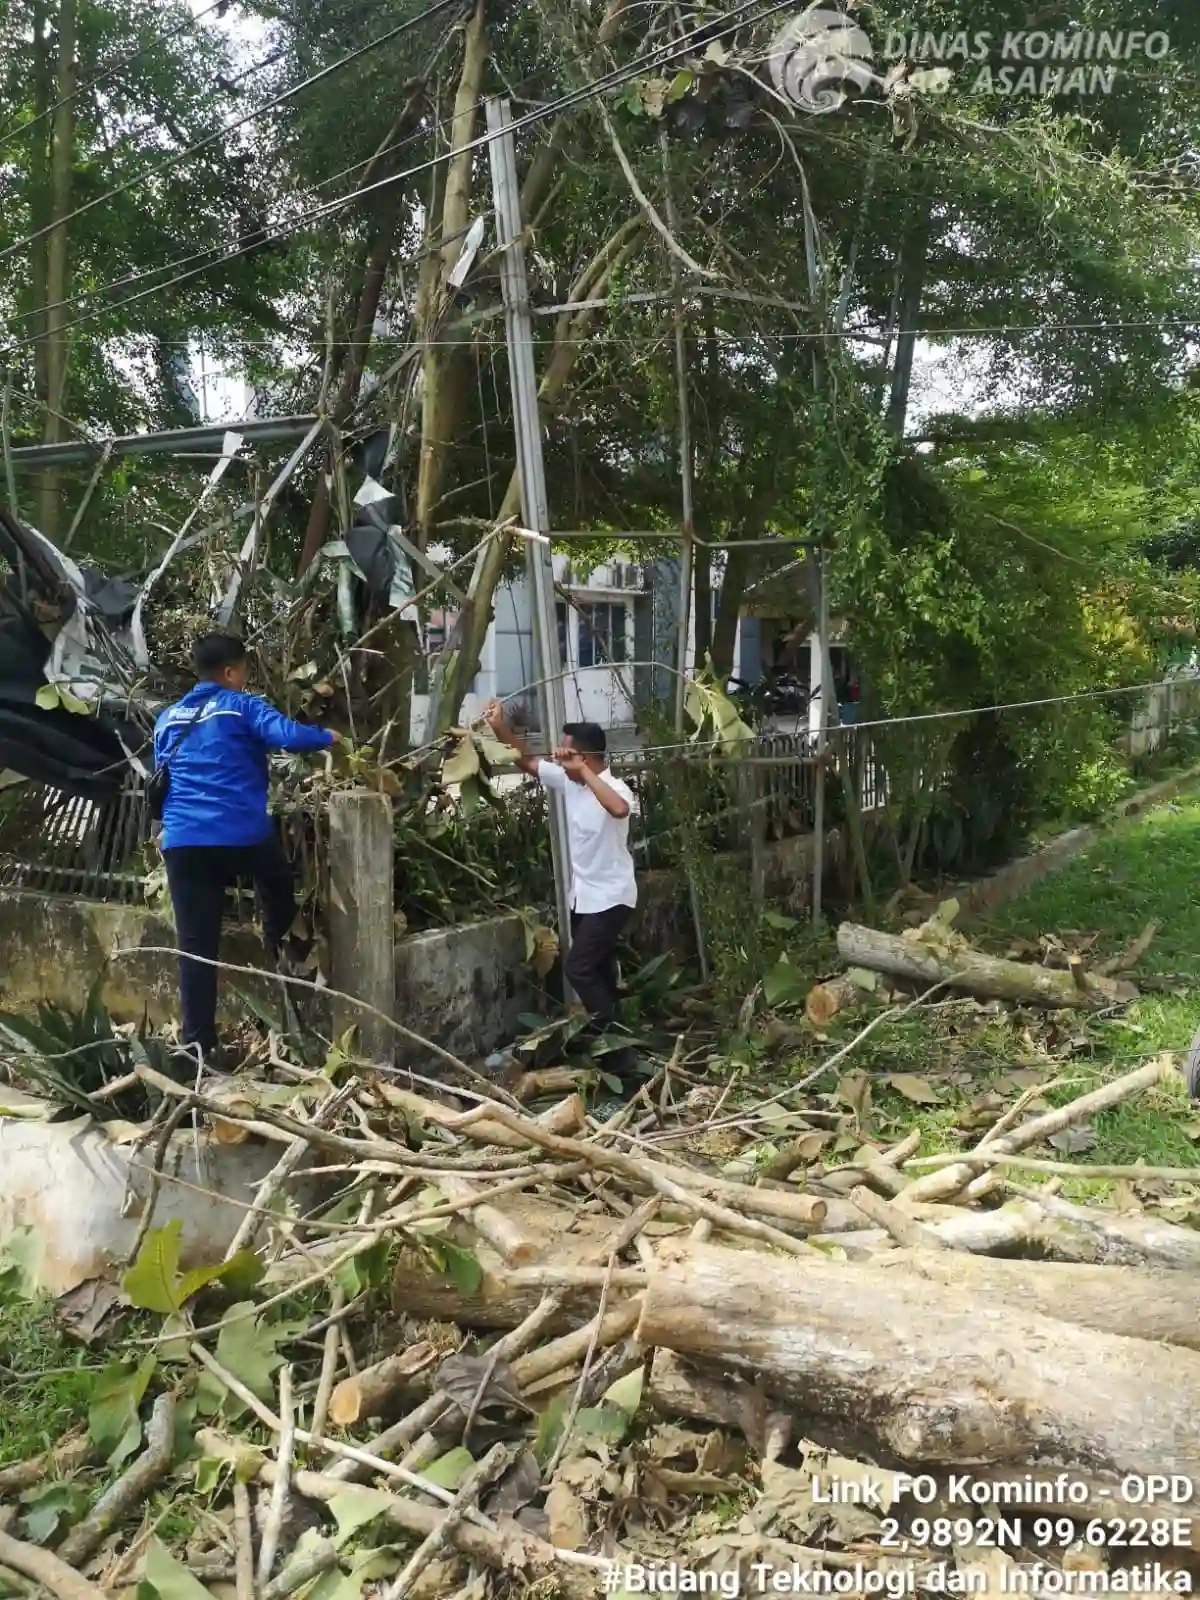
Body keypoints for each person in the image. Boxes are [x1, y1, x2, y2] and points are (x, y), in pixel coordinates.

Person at [153, 633, 339, 1065]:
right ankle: (275, 940)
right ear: (231, 672)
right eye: (244, 673)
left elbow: (159, 773)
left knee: (196, 947)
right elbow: (288, 737)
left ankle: (197, 1046)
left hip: (183, 842)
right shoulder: (242, 705)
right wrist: (327, 737)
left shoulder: (168, 718)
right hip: (240, 835)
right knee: (276, 877)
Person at [485, 702, 640, 1078]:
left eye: (570, 751)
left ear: (585, 757)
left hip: (613, 896)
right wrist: (499, 727)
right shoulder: (569, 783)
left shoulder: (614, 787)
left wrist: (582, 770)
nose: (563, 760)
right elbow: (526, 762)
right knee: (599, 972)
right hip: (584, 896)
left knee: (579, 968)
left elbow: (618, 809)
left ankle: (621, 1057)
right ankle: (614, 1048)